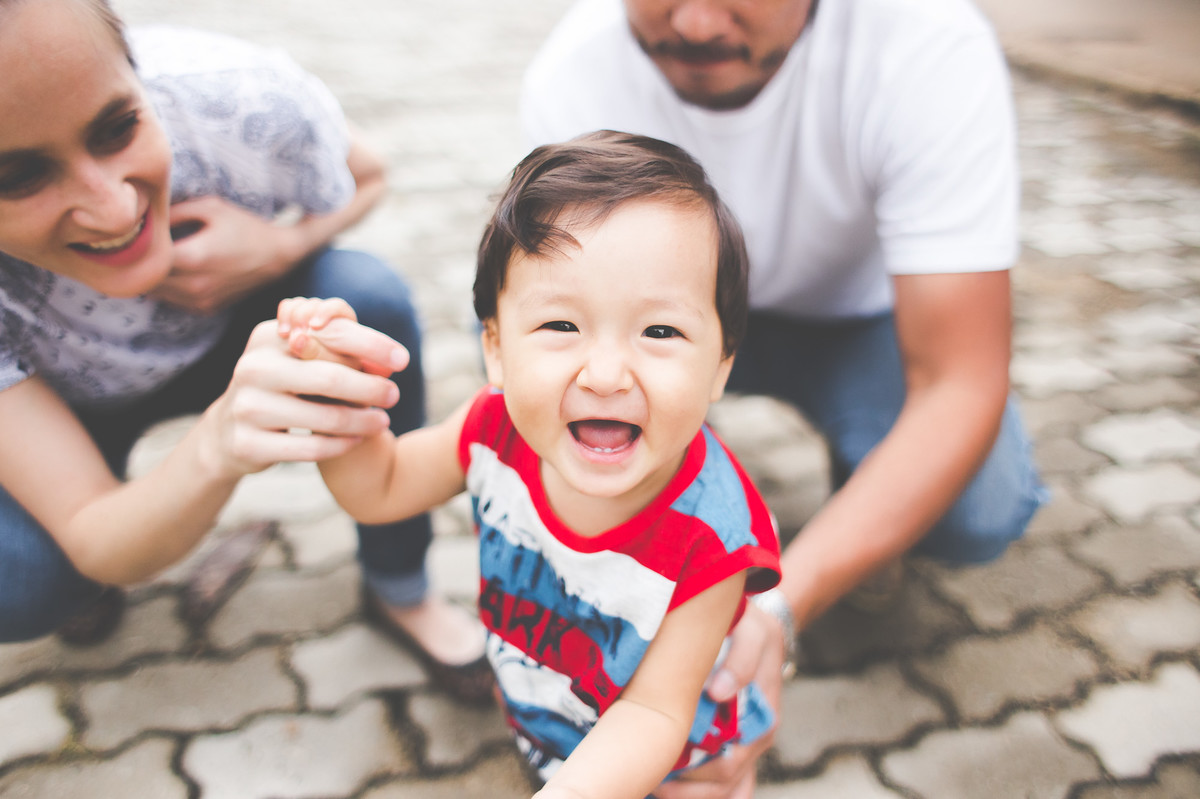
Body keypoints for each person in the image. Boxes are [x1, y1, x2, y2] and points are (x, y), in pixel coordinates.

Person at [520, 0, 1050, 794]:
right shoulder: (576, 70)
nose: (696, 24)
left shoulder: (926, 44)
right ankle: (680, 533)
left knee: (979, 506)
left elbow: (961, 379)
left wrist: (779, 606)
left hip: (859, 319)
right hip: (662, 319)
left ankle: (856, 508)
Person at [0, 0, 488, 701]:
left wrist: (279, 247)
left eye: (117, 127)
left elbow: (371, 172)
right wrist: (217, 446)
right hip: (62, 405)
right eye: (18, 176)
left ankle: (400, 585)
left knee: (365, 295)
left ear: (139, 71)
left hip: (230, 331)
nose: (112, 210)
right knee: (23, 575)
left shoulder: (233, 99)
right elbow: (92, 528)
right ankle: (83, 587)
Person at [279, 130, 783, 799]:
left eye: (660, 331)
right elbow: (382, 487)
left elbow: (655, 711)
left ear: (720, 365)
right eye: (560, 326)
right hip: (552, 716)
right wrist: (326, 389)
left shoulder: (713, 535)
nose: (605, 373)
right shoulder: (492, 428)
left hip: (670, 761)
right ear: (494, 348)